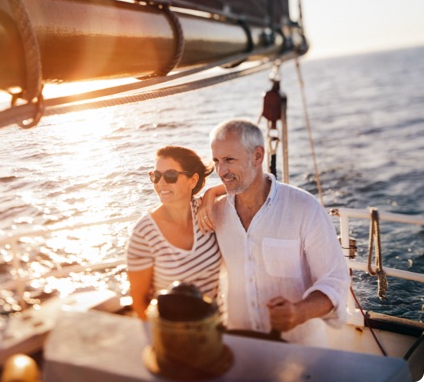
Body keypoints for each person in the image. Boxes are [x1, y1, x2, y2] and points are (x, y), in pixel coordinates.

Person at [198, 118, 350, 346]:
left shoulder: (304, 207)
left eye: (229, 160)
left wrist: (300, 312)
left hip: (301, 348)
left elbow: (335, 280)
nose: (221, 171)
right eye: (217, 161)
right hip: (240, 343)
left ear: (258, 156)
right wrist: (209, 194)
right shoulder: (215, 211)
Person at [126, 145, 225, 320]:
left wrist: (211, 193)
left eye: (170, 175)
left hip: (216, 324)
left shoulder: (206, 210)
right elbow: (139, 301)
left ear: (193, 180)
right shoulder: (144, 233)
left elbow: (245, 185)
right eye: (155, 176)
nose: (161, 183)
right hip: (174, 331)